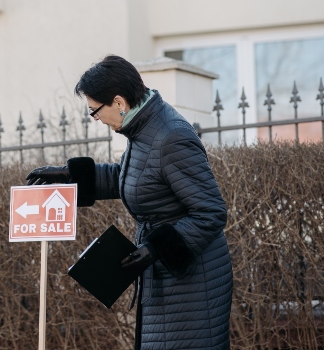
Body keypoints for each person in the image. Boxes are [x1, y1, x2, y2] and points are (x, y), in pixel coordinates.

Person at [26, 55, 232, 349]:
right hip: (167, 274)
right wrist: (70, 176)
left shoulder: (170, 136)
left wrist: (155, 248)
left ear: (119, 103)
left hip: (194, 282)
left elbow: (211, 212)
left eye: (95, 111)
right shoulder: (143, 130)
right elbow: (130, 179)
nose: (96, 119)